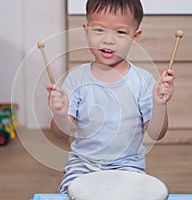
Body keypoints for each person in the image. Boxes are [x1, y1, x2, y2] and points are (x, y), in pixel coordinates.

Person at [46, 0, 175, 194]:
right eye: (99, 30)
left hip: (128, 165)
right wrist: (60, 113)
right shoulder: (76, 79)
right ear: (86, 30)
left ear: (135, 36)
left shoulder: (143, 80)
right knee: (73, 193)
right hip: (83, 164)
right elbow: (60, 133)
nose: (108, 40)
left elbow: (156, 134)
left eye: (120, 32)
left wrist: (159, 105)